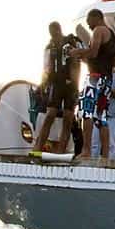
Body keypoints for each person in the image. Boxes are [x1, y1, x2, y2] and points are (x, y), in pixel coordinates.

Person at [70, 9, 115, 158]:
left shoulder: (99, 30)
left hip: (95, 78)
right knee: (101, 117)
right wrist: (84, 58)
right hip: (106, 78)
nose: (89, 27)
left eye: (89, 22)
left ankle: (86, 151)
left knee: (87, 113)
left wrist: (77, 52)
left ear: (96, 18)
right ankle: (105, 155)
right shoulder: (113, 37)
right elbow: (101, 58)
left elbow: (93, 53)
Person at [33, 22, 82, 153]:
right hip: (56, 84)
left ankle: (61, 150)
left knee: (68, 118)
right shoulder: (50, 47)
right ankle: (38, 147)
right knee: (50, 115)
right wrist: (43, 85)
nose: (54, 35)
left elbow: (76, 65)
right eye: (52, 33)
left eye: (55, 32)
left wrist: (76, 86)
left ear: (59, 30)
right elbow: (46, 67)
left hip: (70, 86)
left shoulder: (70, 44)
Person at [91, 66, 115, 158]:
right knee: (94, 143)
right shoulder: (99, 76)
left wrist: (106, 88)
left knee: (111, 144)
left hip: (112, 113)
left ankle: (111, 164)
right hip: (98, 113)